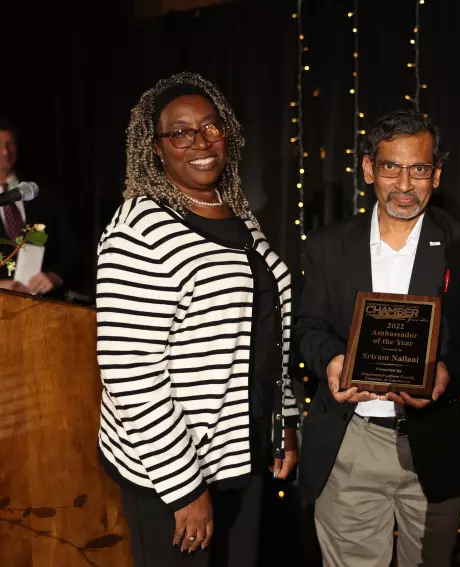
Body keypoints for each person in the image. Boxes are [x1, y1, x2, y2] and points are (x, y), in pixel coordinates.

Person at [95, 72, 299, 567]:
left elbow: (267, 333)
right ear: (156, 147)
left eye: (210, 127)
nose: (201, 142)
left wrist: (283, 423)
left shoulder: (237, 214)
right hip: (173, 474)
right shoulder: (139, 231)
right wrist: (184, 488)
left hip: (241, 454)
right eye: (180, 133)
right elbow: (130, 373)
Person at [296, 109, 460, 567]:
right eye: (390, 167)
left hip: (437, 443)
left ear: (436, 174)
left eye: (418, 169)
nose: (403, 184)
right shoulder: (326, 246)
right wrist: (333, 361)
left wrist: (450, 373)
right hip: (352, 440)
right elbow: (308, 328)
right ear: (368, 168)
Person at [0, 115, 73, 297]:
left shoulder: (43, 193)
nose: (5, 151)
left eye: (10, 144)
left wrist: (54, 276)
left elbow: (71, 250)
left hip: (44, 304)